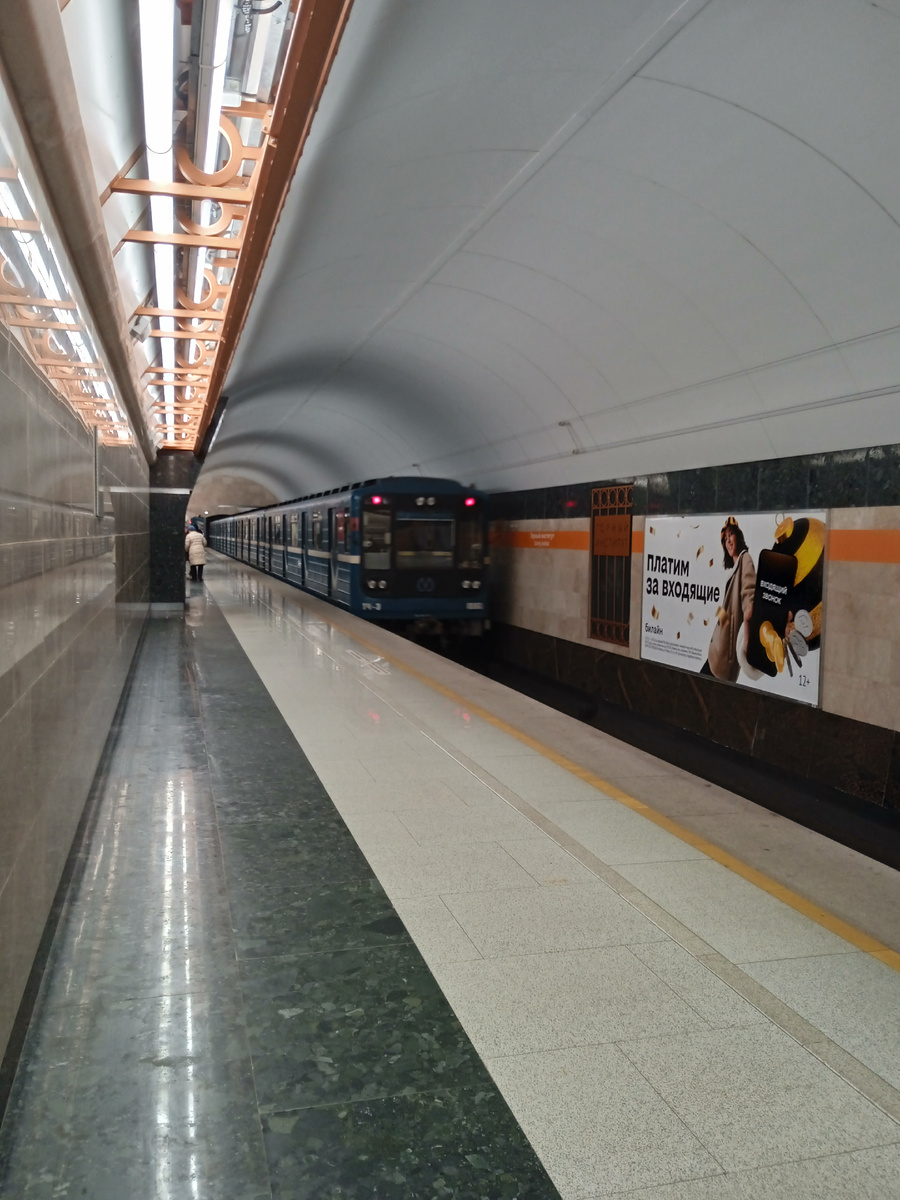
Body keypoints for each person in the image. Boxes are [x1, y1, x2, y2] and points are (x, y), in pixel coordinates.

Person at [701, 516, 756, 681]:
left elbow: (749, 595)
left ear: (738, 536)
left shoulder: (745, 559)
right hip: (719, 646)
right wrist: (719, 621)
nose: (728, 541)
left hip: (726, 653)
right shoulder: (734, 569)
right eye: (725, 539)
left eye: (731, 534)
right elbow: (727, 610)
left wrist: (747, 636)